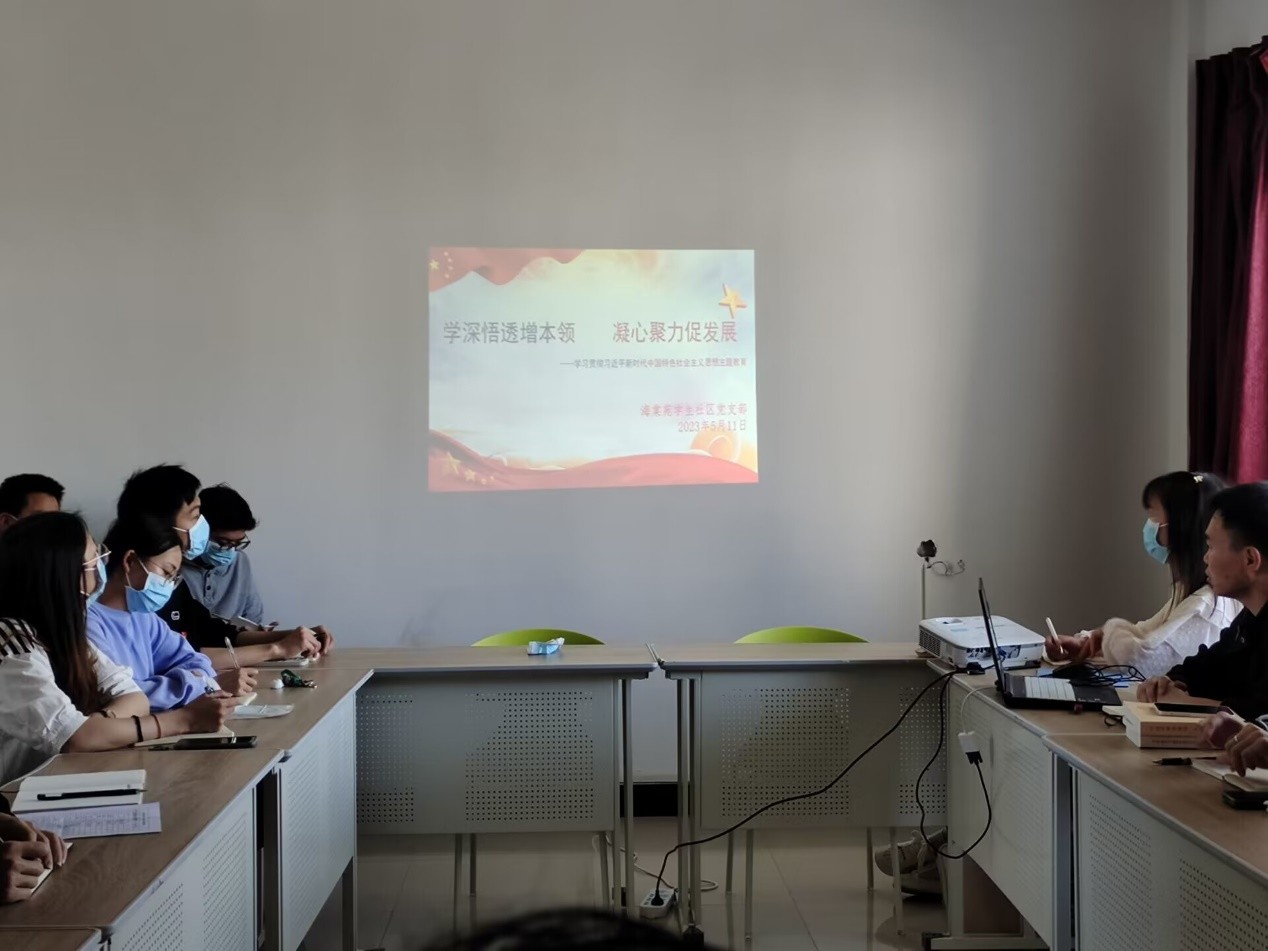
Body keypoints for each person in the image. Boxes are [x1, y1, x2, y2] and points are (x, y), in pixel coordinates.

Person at [0, 512, 237, 785]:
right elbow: (76, 737)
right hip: (14, 794)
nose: (102, 564)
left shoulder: (64, 633)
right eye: (94, 559)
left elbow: (135, 698)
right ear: (63, 574)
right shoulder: (12, 641)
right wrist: (184, 720)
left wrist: (101, 724)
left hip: (58, 780)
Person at [115, 465, 320, 667]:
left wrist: (294, 637)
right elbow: (183, 657)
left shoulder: (169, 588)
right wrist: (276, 650)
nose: (201, 526)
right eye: (196, 516)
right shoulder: (143, 589)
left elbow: (213, 633)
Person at [1045, 471, 1240, 676]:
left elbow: (1140, 658)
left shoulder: (1206, 606)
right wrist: (1086, 644)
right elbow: (1146, 632)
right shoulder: (1187, 591)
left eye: (1154, 516)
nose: (1148, 526)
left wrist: (1108, 633)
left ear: (1181, 526)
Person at [89, 515, 258, 709]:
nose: (168, 585)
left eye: (173, 578)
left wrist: (194, 683)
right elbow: (125, 694)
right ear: (130, 561)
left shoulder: (144, 616)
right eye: (166, 573)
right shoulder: (87, 622)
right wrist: (203, 685)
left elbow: (195, 660)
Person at [1139, 482, 1268, 718]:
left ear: (1250, 559)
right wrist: (1171, 682)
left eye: (1210, 547)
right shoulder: (1249, 619)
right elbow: (1205, 667)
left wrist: (1186, 702)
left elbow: (1259, 714)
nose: (1205, 558)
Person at [182, 484, 335, 654]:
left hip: (241, 657)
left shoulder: (239, 562)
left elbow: (249, 625)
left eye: (237, 544)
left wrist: (299, 636)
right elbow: (193, 640)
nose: (229, 550)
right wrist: (276, 647)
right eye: (223, 543)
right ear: (198, 532)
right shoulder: (171, 569)